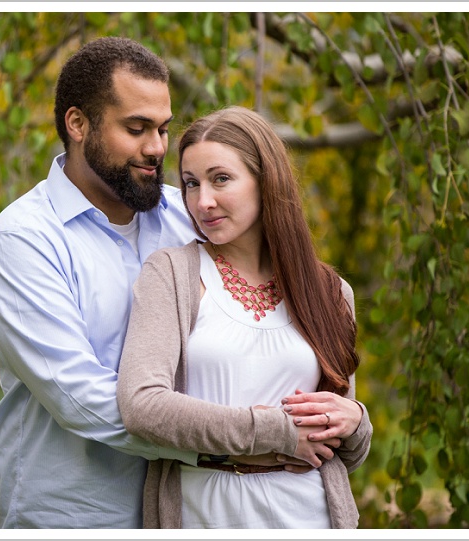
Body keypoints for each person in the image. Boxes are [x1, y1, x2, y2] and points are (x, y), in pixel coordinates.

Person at [0, 37, 206, 529]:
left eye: (163, 128)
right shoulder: (22, 241)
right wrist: (234, 441)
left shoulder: (190, 221)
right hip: (73, 518)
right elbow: (80, 398)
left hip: (191, 513)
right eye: (136, 128)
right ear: (77, 124)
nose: (157, 148)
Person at [117, 106, 373, 529]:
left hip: (311, 515)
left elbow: (344, 450)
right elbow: (142, 405)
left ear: (265, 180)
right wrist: (276, 431)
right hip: (205, 512)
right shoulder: (173, 274)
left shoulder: (329, 291)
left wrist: (355, 420)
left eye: (221, 179)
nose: (203, 201)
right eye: (190, 184)